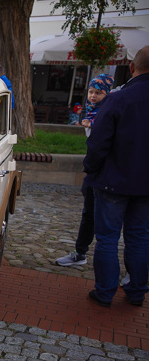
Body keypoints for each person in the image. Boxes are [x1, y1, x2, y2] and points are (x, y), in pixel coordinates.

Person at [83, 46, 149, 308]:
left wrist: (91, 169)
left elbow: (98, 142)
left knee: (108, 238)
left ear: (132, 67)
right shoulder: (118, 99)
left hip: (114, 179)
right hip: (143, 184)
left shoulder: (119, 99)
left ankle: (106, 291)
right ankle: (136, 290)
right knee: (139, 236)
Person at [55, 73, 115, 268]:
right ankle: (80, 252)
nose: (93, 96)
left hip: (106, 172)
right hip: (93, 171)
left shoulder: (108, 112)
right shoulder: (90, 112)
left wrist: (94, 126)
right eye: (91, 92)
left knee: (107, 220)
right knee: (88, 214)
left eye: (98, 93)